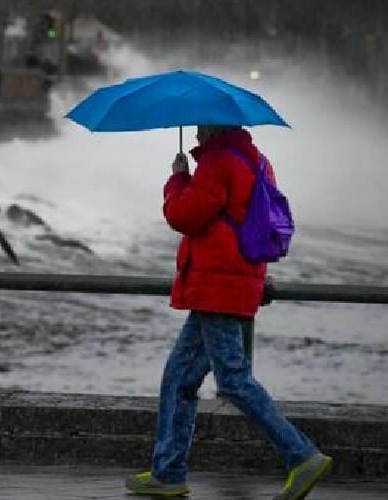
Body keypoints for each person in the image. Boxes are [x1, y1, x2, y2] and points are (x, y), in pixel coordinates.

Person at [125, 126, 332, 499]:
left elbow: (185, 216)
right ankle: (168, 473)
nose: (198, 130)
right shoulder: (256, 161)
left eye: (202, 124)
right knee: (179, 377)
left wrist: (176, 179)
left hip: (218, 286)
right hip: (233, 282)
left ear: (214, 128)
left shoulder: (218, 163)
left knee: (233, 379)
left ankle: (302, 455)